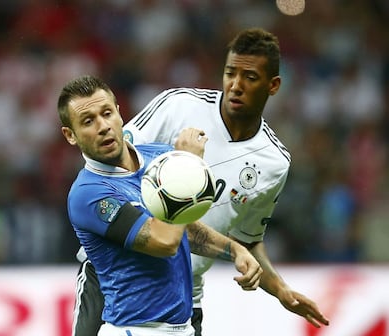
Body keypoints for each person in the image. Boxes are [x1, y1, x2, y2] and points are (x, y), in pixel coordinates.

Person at [73, 28, 330, 336]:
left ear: (273, 85)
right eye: (230, 73)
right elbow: (109, 170)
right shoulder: (178, 106)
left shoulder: (273, 163)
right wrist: (186, 163)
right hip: (114, 281)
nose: (235, 86)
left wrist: (280, 290)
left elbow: (246, 240)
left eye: (249, 77)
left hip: (183, 298)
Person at [59, 75, 263, 336]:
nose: (103, 126)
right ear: (70, 135)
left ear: (120, 114)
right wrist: (186, 165)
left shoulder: (158, 157)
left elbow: (184, 229)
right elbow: (163, 242)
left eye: (107, 113)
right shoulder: (88, 193)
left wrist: (235, 251)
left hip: (182, 328)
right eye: (88, 121)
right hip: (135, 329)